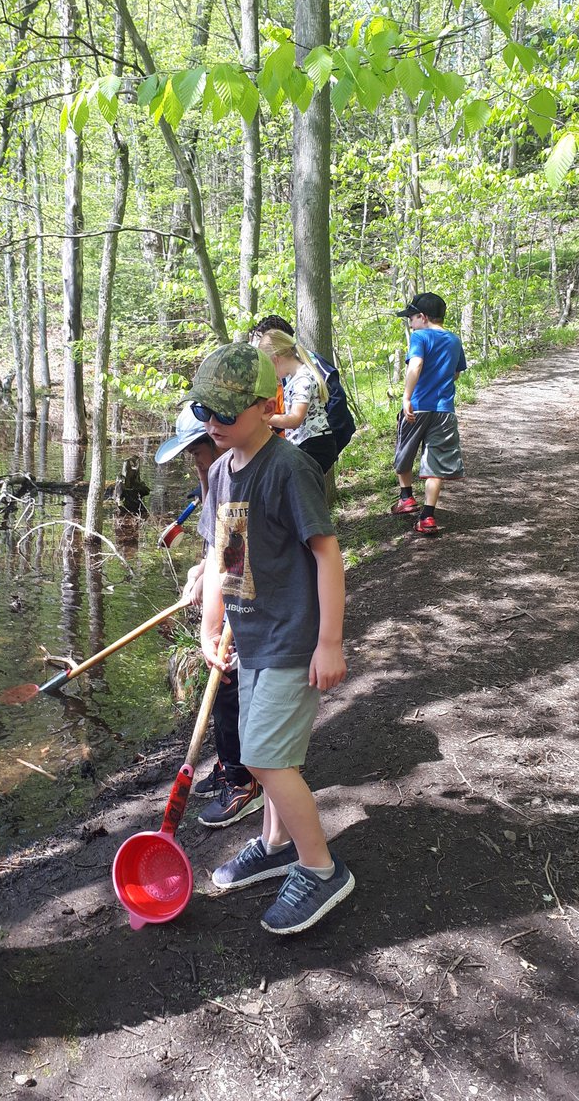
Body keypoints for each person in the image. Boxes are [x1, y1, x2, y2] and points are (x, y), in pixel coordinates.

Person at [186, 342, 354, 935]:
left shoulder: (287, 468)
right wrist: (212, 623)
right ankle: (277, 844)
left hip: (292, 638)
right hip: (251, 640)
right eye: (205, 410)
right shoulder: (221, 472)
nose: (213, 423)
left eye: (227, 413)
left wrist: (329, 641)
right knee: (271, 753)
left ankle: (321, 868)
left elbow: (328, 554)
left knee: (261, 756)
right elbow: (221, 555)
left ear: (267, 404)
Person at [155, 405, 264, 828]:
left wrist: (216, 622)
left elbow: (235, 558)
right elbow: (213, 547)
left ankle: (243, 779)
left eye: (196, 453)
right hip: (232, 594)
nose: (195, 463)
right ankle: (229, 761)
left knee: (230, 685)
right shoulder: (214, 480)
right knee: (221, 687)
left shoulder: (240, 483)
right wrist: (199, 572)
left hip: (250, 606)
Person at [390, 292, 467, 537]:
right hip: (444, 410)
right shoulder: (454, 340)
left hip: (418, 407)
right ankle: (427, 517)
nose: (410, 323)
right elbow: (456, 374)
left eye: (411, 318)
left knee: (405, 450)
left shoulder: (420, 336)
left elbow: (416, 365)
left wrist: (406, 397)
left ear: (422, 317)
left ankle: (406, 499)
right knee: (437, 463)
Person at [257, 328, 338, 472]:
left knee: (303, 490)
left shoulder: (303, 380)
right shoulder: (295, 378)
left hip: (314, 445)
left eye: (269, 367)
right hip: (308, 443)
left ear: (276, 359)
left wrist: (263, 418)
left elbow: (295, 419)